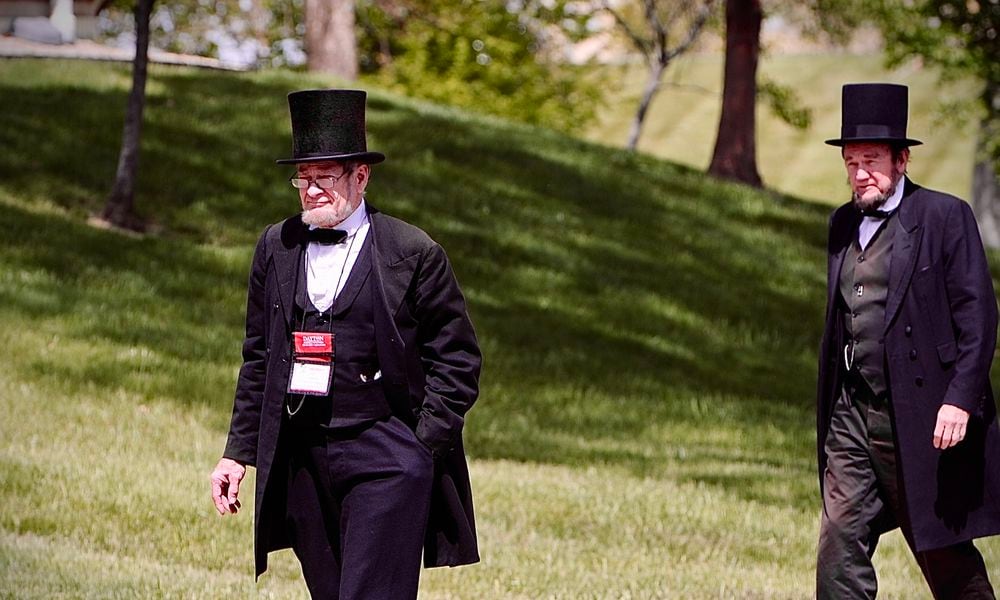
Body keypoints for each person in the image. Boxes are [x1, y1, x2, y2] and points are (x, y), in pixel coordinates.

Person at [209, 89, 482, 599]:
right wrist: (237, 453)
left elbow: (459, 357)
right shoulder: (277, 244)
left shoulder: (412, 251)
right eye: (303, 179)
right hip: (304, 454)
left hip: (386, 453)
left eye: (324, 177)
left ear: (361, 176)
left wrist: (420, 446)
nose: (311, 191)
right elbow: (260, 357)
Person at [815, 82, 1000, 598]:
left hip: (921, 415)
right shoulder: (841, 223)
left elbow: (979, 316)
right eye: (851, 161)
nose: (859, 173)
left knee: (942, 553)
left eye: (871, 159)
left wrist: (960, 400)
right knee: (839, 539)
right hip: (853, 411)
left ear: (902, 159)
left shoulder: (945, 217)